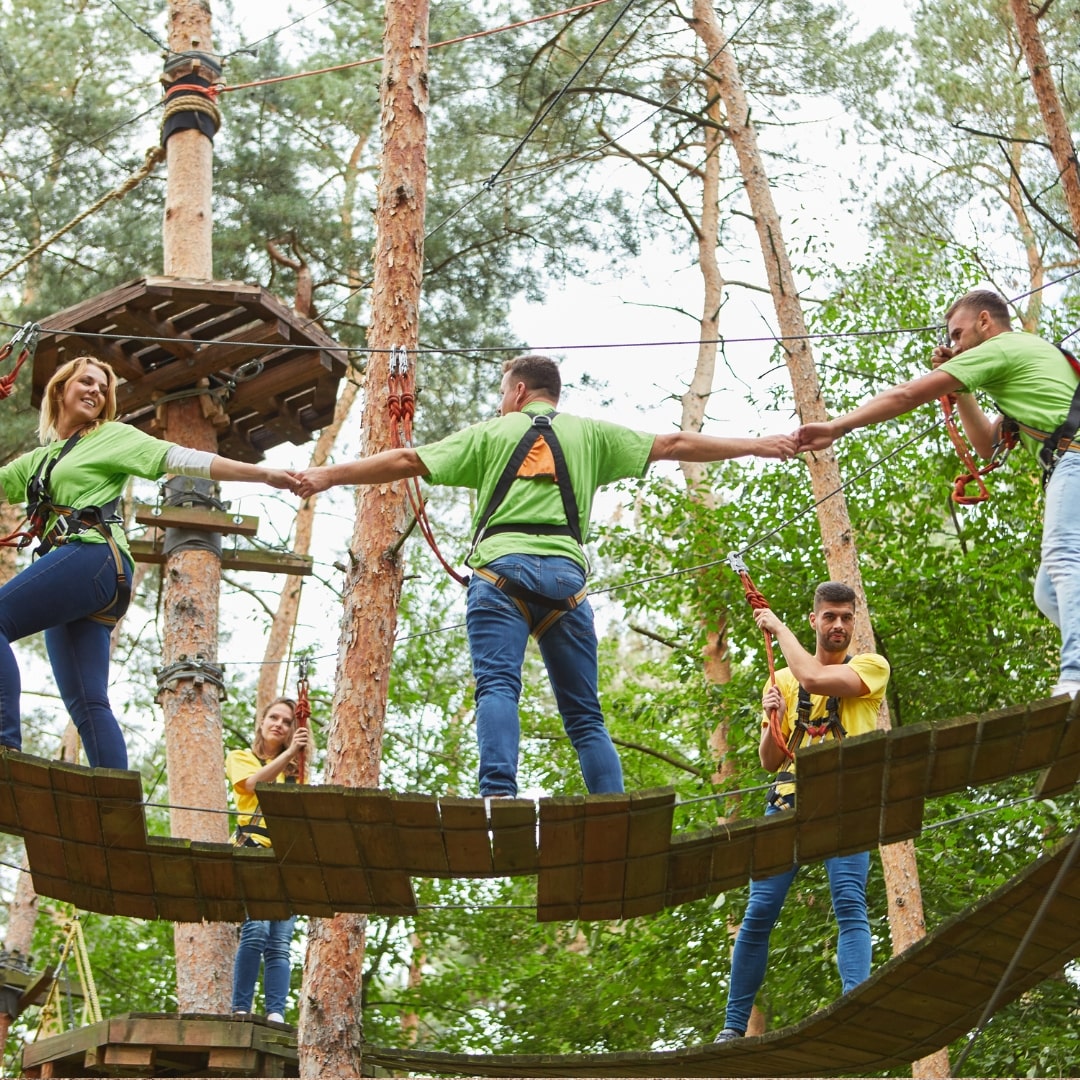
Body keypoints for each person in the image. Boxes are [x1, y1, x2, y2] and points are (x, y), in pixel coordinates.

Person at [292, 353, 796, 797]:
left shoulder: (491, 433)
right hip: (566, 583)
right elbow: (674, 443)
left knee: (497, 687)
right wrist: (757, 444)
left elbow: (406, 458)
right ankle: (612, 807)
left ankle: (498, 796)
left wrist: (326, 475)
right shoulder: (591, 434)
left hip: (500, 574)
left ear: (518, 391)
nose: (500, 406)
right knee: (585, 715)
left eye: (501, 395)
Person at [0, 355, 298, 769]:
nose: (96, 391)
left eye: (102, 388)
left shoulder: (109, 436)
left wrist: (261, 474)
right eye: (86, 382)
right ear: (60, 389)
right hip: (81, 575)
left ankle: (3, 743)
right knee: (87, 701)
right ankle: (115, 798)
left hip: (92, 557)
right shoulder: (39, 460)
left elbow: (180, 458)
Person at [795, 289, 1080, 699]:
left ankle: (1075, 676)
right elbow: (986, 445)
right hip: (1069, 462)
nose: (955, 346)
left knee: (1064, 557)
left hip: (1074, 459)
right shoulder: (1025, 359)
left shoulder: (1002, 347)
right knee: (1048, 592)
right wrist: (962, 391)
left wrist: (838, 426)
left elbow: (907, 394)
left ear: (985, 321)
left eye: (958, 334)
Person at [715, 581, 890, 1042]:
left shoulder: (871, 667)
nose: (838, 625)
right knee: (759, 911)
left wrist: (778, 627)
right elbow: (770, 760)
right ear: (815, 620)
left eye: (846, 617)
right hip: (788, 799)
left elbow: (814, 679)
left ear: (854, 622)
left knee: (849, 901)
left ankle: (853, 1008)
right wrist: (772, 717)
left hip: (845, 803)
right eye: (829, 616)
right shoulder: (783, 680)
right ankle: (733, 1026)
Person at [226, 696, 310, 1024]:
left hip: (286, 860)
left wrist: (296, 757)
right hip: (252, 852)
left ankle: (275, 1013)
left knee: (279, 943)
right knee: (256, 930)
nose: (279, 724)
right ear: (261, 722)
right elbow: (252, 784)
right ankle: (241, 1009)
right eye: (274, 718)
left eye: (287, 722)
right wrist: (290, 754)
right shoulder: (240, 757)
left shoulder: (296, 774)